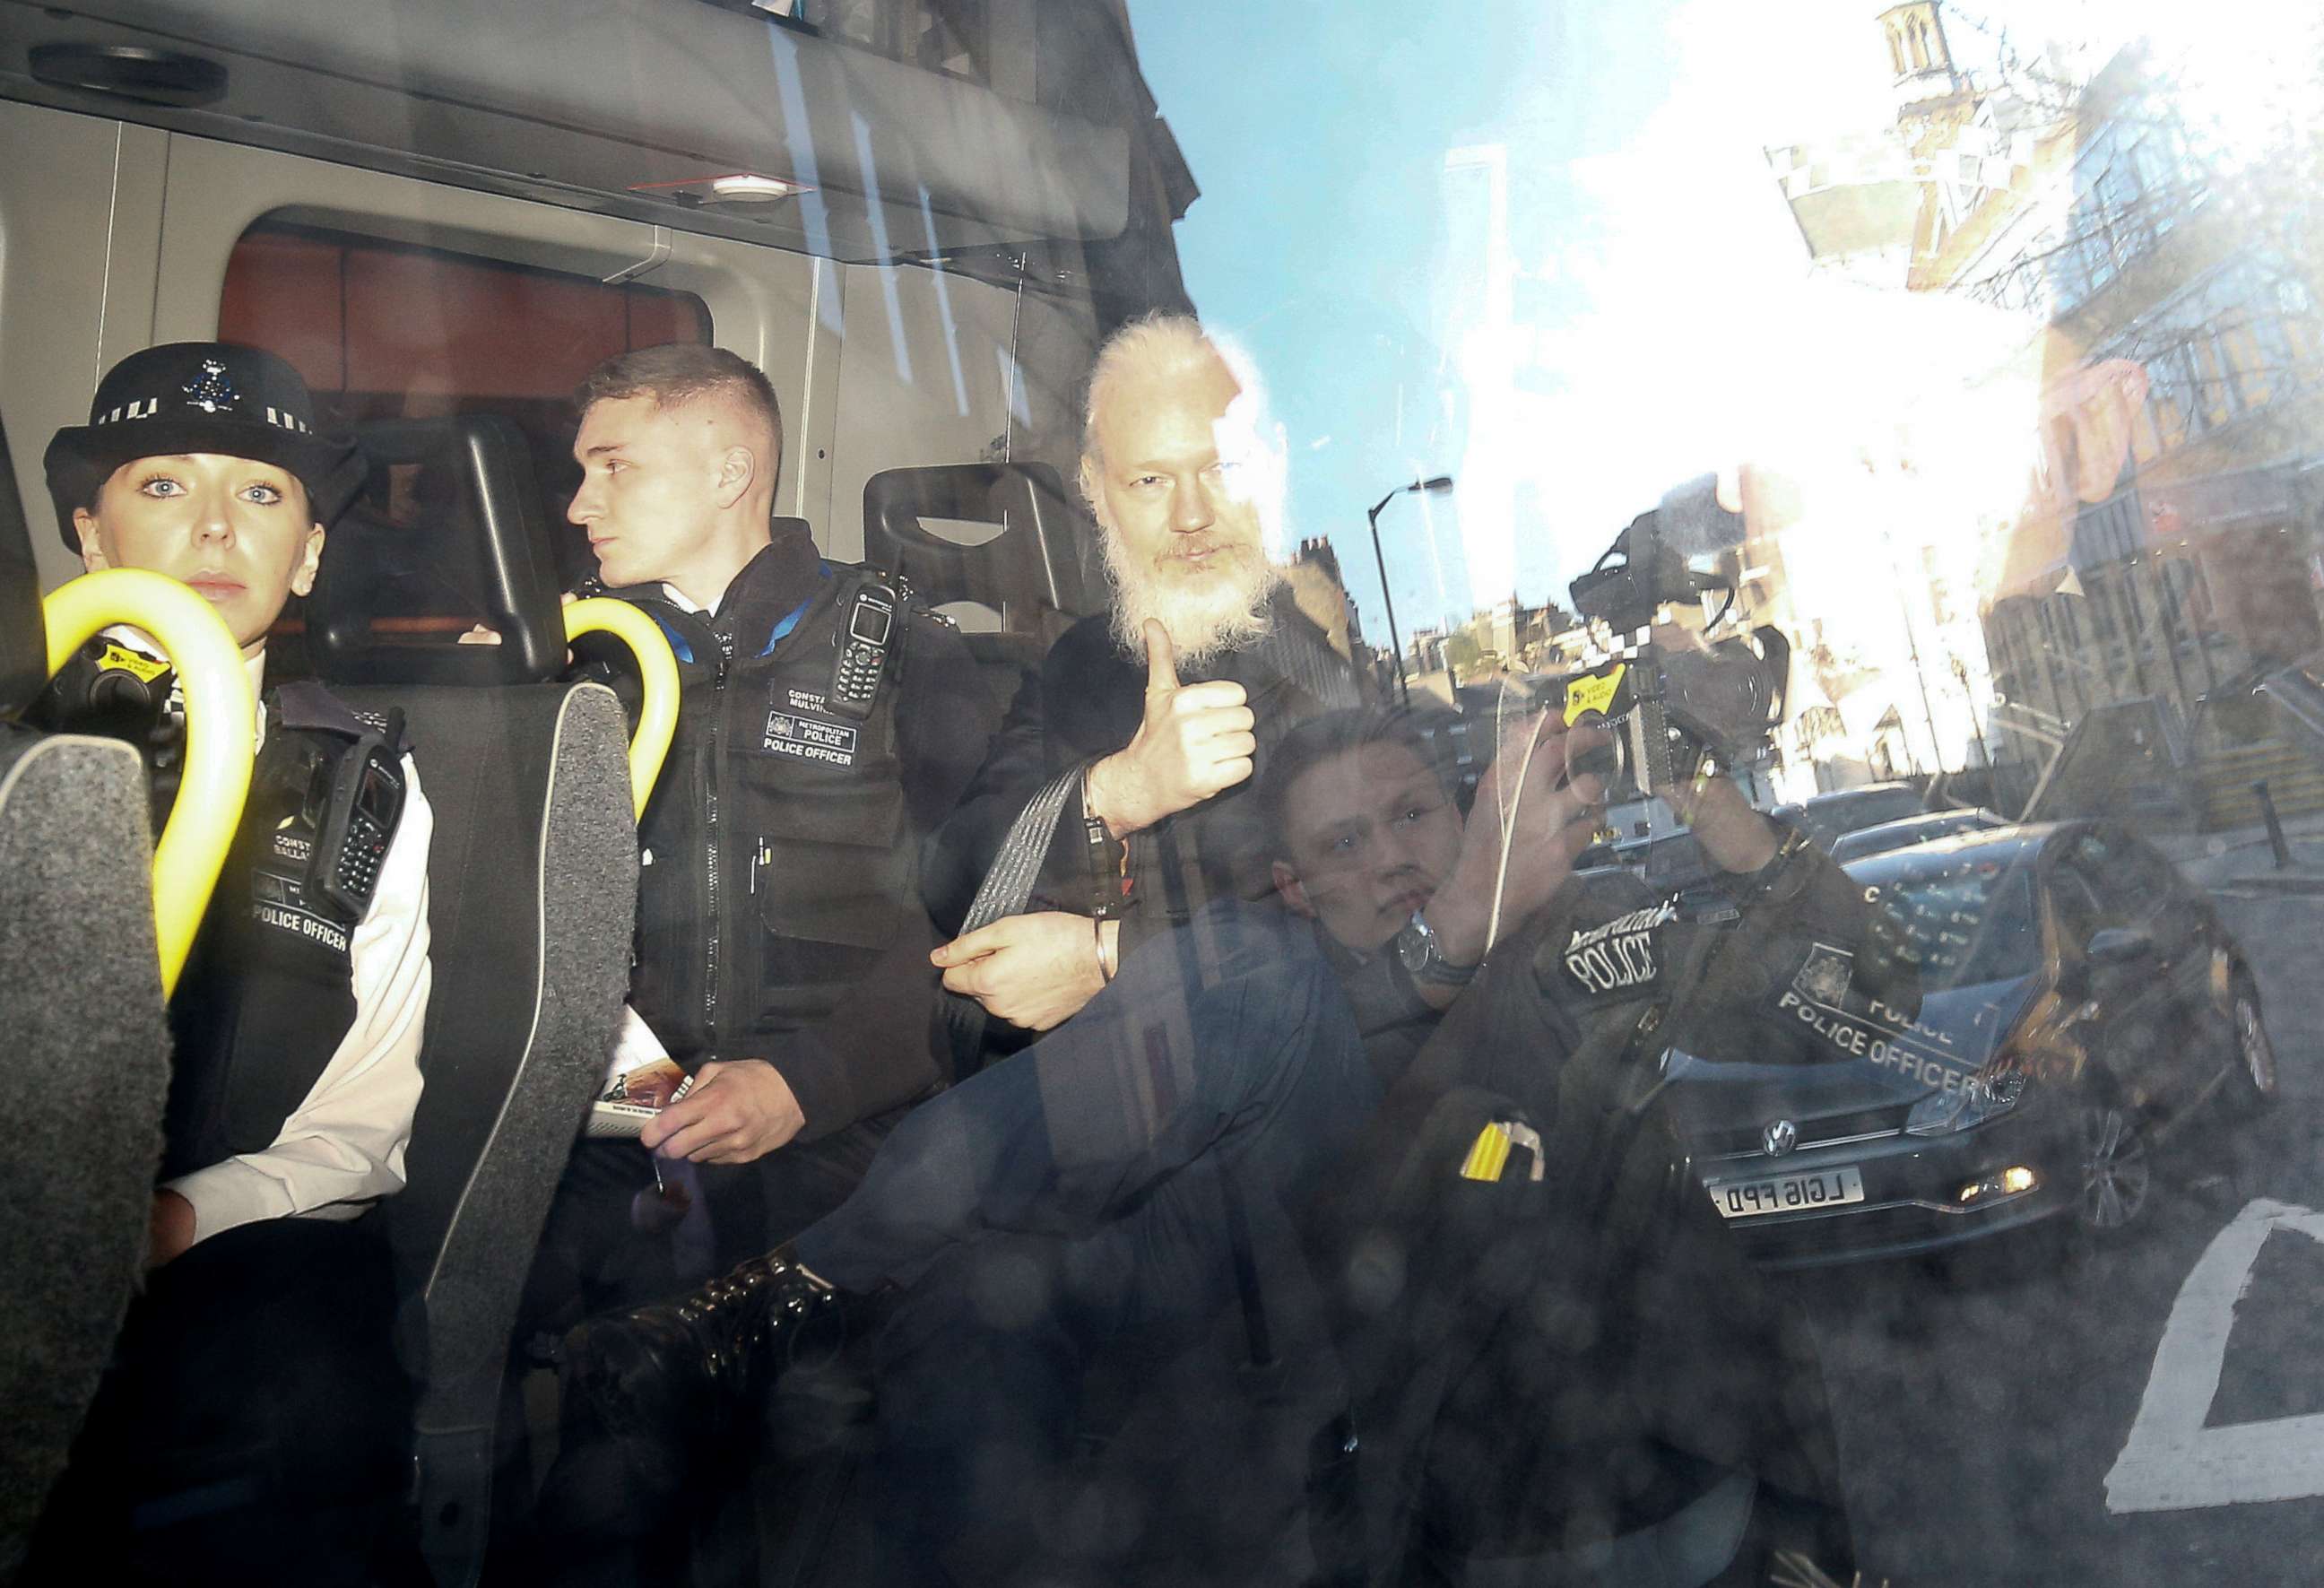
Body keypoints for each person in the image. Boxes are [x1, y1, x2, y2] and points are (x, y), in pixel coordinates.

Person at [22, 341, 433, 1587]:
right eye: (163, 486)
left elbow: (367, 1119)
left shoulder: (369, 780)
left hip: (233, 1249)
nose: (214, 526)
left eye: (261, 494)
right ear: (90, 533)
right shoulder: (16, 742)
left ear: (308, 551)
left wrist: (184, 1213)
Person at [522, 343, 991, 1331]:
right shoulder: (579, 663)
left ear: (730, 472)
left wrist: (800, 1085)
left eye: (614, 467)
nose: (579, 504)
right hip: (626, 1126)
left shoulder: (903, 647)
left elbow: (982, 906)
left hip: (846, 1127)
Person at [924, 313, 1371, 1046]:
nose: (1192, 515)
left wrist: (1112, 958)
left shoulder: (1318, 666)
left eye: (1220, 469)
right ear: (1097, 491)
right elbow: (952, 882)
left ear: (1269, 467)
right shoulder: (1082, 661)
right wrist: (1118, 792)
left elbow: (1381, 918)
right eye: (1151, 479)